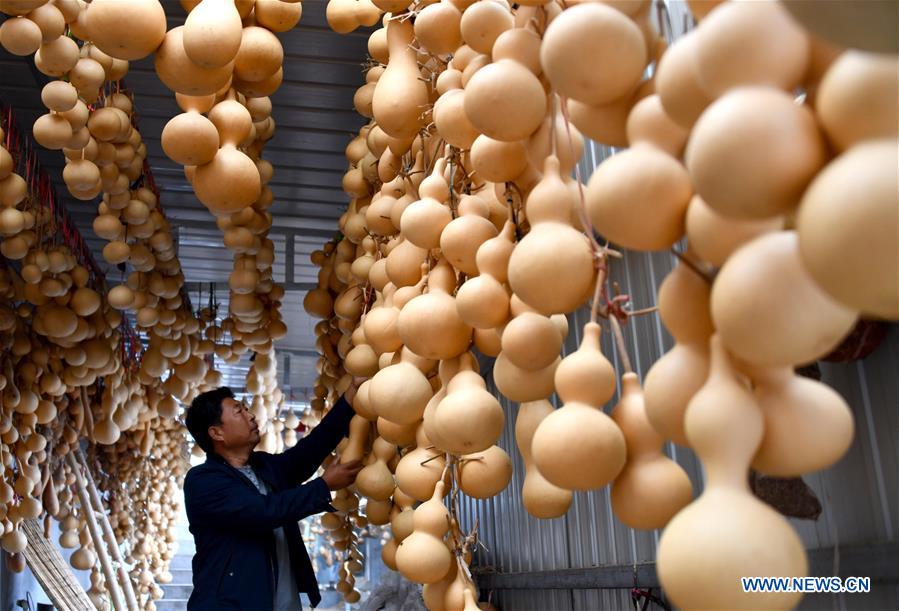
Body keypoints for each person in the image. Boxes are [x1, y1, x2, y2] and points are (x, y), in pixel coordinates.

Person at [183, 383, 364, 610]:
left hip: (281, 602)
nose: (250, 415)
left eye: (246, 409)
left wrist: (348, 400)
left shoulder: (262, 466)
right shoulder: (203, 481)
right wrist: (323, 486)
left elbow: (307, 453)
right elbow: (262, 512)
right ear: (216, 432)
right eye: (239, 411)